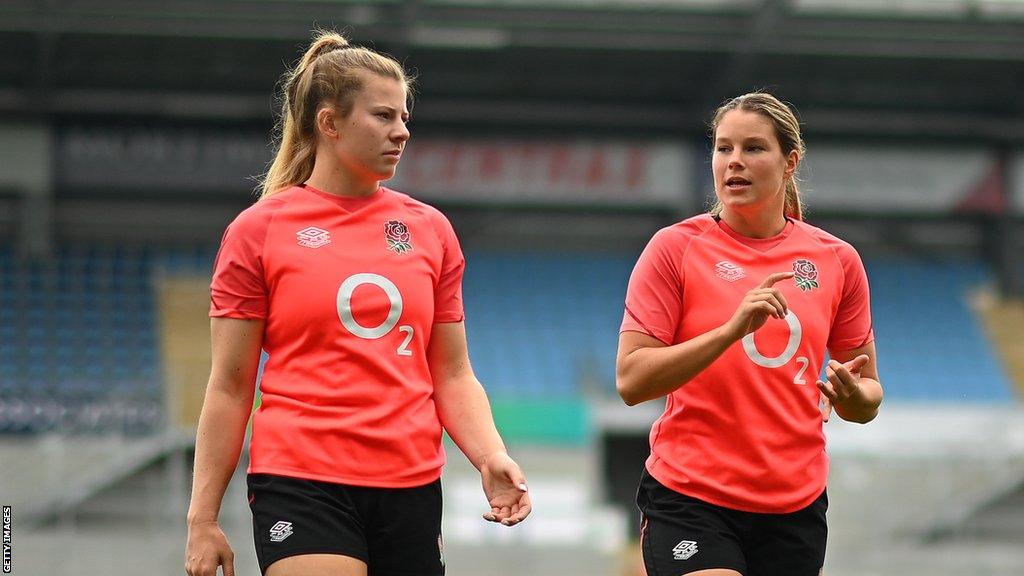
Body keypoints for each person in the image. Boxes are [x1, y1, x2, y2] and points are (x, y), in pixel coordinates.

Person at [184, 30, 531, 576]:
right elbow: (230, 385)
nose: (403, 132)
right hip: (301, 478)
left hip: (411, 483)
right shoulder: (258, 231)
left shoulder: (430, 230)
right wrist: (202, 519)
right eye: (384, 116)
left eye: (405, 116)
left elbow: (453, 371)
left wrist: (490, 456)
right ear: (329, 123)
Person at [615, 92, 882, 576]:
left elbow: (867, 394)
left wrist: (853, 397)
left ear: (790, 161)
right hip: (691, 496)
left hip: (794, 505)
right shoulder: (675, 248)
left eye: (754, 148)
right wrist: (732, 329)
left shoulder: (837, 260)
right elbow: (632, 381)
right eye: (723, 148)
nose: (734, 161)